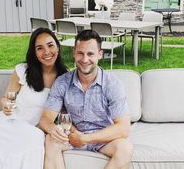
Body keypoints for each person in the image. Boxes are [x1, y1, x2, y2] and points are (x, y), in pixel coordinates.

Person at [39, 30, 133, 169]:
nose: (84, 60)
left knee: (125, 149)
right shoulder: (62, 82)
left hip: (102, 138)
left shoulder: (112, 84)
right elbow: (45, 119)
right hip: (70, 136)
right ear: (74, 53)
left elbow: (124, 128)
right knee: (50, 140)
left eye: (90, 54)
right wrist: (57, 130)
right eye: (80, 53)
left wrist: (85, 139)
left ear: (100, 54)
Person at [0, 27, 68, 169]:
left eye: (50, 45)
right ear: (34, 52)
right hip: (9, 125)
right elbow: (8, 97)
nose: (47, 52)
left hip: (34, 133)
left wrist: (62, 132)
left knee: (36, 137)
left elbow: (65, 112)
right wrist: (6, 103)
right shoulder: (23, 71)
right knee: (36, 137)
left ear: (58, 47)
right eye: (39, 48)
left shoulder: (65, 78)